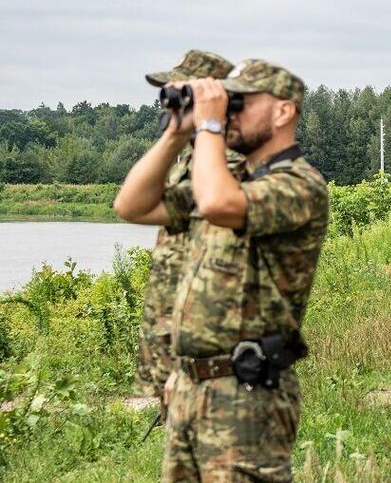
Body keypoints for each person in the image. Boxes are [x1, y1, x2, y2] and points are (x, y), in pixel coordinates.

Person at [114, 59, 328, 482]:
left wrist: (209, 128)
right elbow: (131, 205)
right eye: (227, 103)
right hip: (192, 387)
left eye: (240, 103)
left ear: (283, 112)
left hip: (247, 394)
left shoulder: (300, 184)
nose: (229, 113)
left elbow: (217, 204)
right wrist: (178, 132)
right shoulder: (225, 177)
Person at [136, 50, 238, 400]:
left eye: (182, 94)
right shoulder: (190, 158)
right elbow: (130, 205)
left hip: (208, 356)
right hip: (174, 334)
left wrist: (190, 366)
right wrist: (175, 136)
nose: (170, 102)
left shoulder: (232, 163)